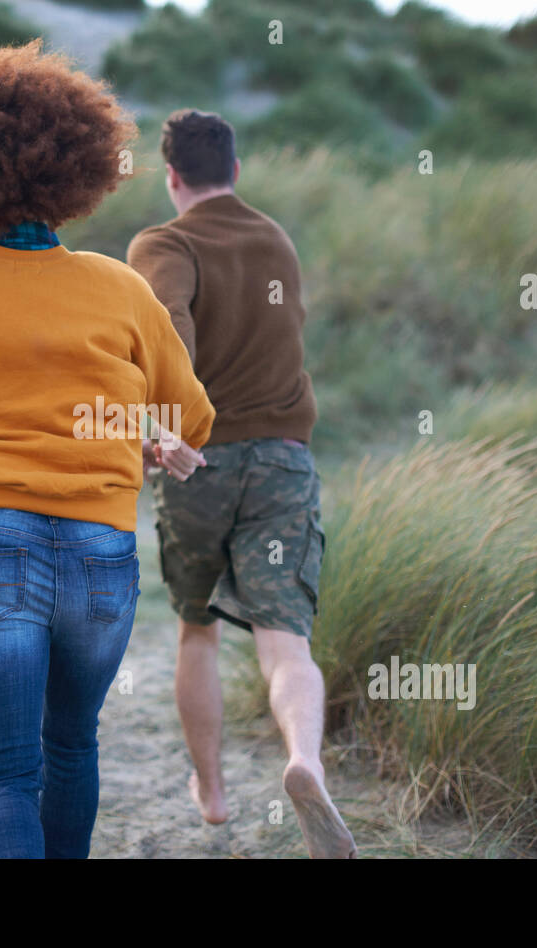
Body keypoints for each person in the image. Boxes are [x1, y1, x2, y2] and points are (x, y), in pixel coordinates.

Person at [0, 45, 215, 859]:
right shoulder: (119, 287)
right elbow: (192, 418)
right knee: (72, 746)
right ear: (76, 175)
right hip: (102, 553)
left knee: (6, 778)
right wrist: (124, 432)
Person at [128, 109, 358, 859]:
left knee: (196, 631)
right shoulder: (275, 239)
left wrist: (162, 432)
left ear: (171, 176)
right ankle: (305, 762)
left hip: (199, 459)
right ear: (236, 170)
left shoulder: (163, 241)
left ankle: (213, 794)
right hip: (284, 459)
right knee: (285, 641)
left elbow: (168, 329)